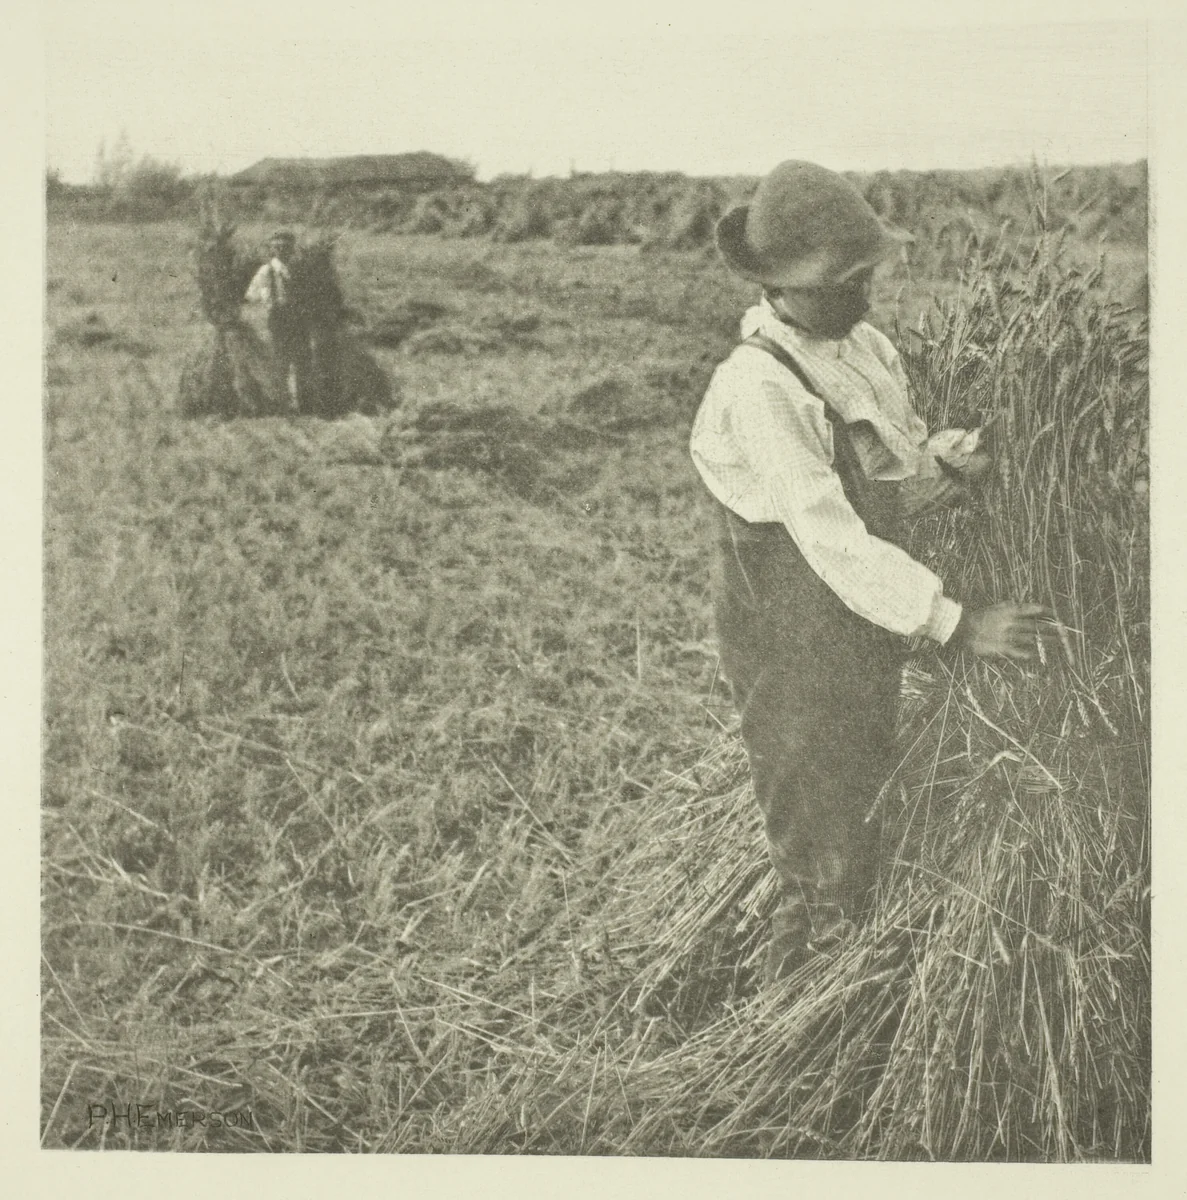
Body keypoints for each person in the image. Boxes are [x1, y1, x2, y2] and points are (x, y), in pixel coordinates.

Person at [689, 161, 1048, 984]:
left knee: (860, 780)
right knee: (815, 815)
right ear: (779, 285)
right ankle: (802, 993)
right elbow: (832, 539)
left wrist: (946, 466)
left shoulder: (863, 348)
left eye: (864, 275)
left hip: (853, 618)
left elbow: (886, 478)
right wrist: (958, 624)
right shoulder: (757, 386)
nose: (862, 293)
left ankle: (837, 951)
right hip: (785, 630)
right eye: (841, 282)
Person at [245, 230, 312, 410]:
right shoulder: (266, 271)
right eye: (278, 247)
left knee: (302, 360)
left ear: (292, 249)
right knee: (280, 360)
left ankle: (304, 402)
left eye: (286, 247)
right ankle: (281, 403)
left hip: (298, 319)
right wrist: (267, 300)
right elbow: (251, 296)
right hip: (278, 319)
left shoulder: (298, 269)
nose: (282, 250)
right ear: (272, 249)